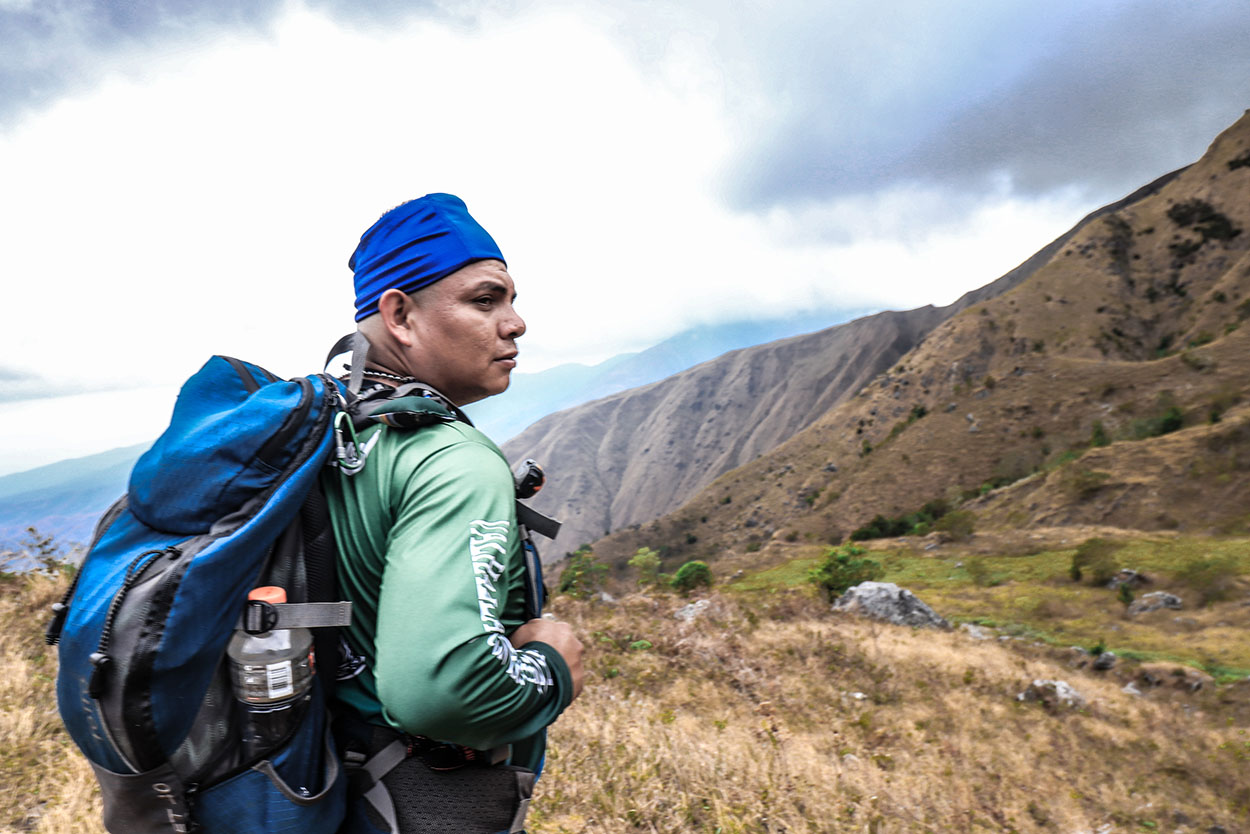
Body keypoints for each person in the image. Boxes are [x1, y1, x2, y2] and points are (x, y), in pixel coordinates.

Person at [321, 193, 584, 833]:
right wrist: (553, 665)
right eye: (485, 300)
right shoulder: (453, 463)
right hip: (417, 803)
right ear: (400, 315)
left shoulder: (334, 432)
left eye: (511, 300)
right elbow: (442, 692)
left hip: (328, 785)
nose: (516, 323)